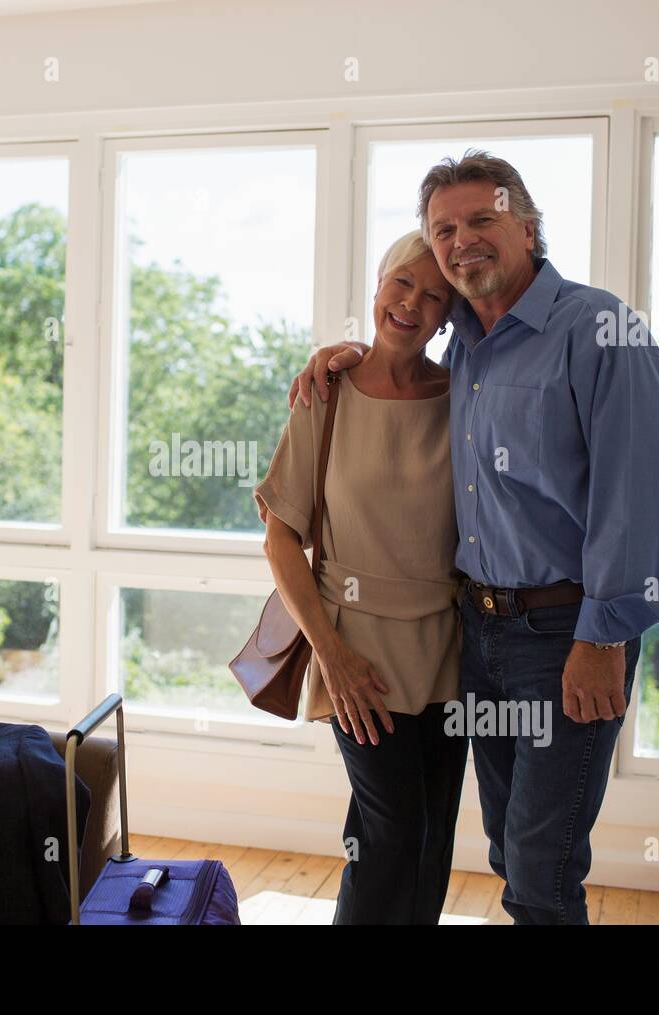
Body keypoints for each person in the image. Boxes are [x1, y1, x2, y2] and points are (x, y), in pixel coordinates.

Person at [289, 151, 659, 924]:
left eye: (481, 220)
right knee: (508, 844)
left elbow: (638, 499)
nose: (461, 240)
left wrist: (603, 639)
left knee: (541, 865)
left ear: (528, 228)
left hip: (567, 633)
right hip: (476, 633)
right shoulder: (464, 340)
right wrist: (336, 355)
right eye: (443, 231)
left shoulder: (603, 331)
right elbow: (395, 366)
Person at [255, 229, 466, 924]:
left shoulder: (462, 396)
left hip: (448, 648)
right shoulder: (328, 390)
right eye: (401, 284)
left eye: (434, 295)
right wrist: (331, 654)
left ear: (449, 315)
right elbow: (282, 537)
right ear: (377, 289)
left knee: (430, 841)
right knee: (392, 836)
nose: (412, 303)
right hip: (355, 650)